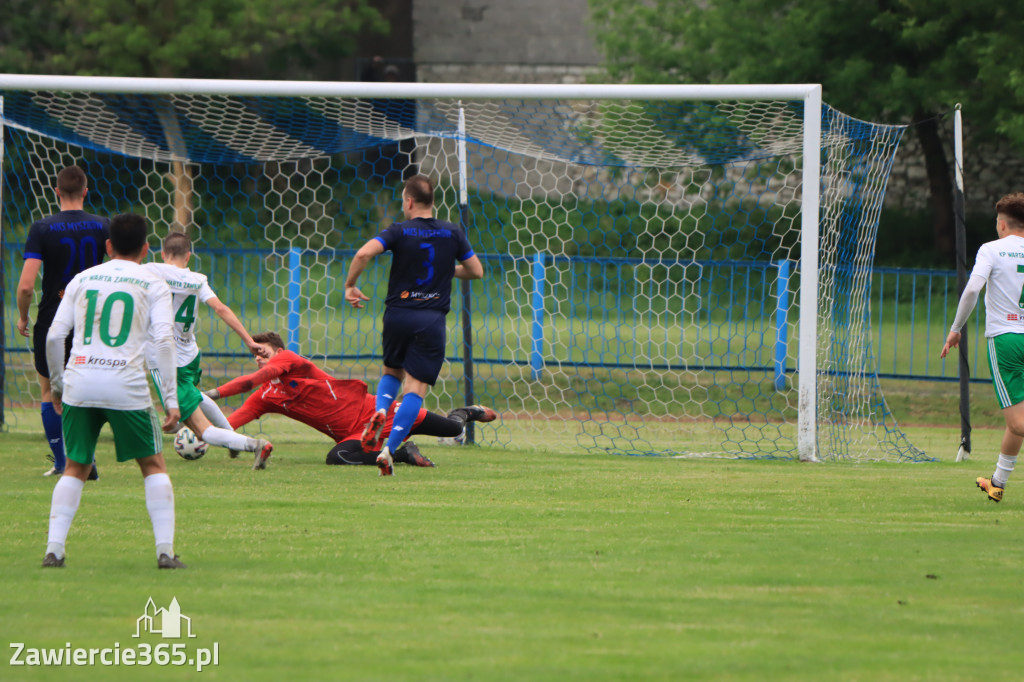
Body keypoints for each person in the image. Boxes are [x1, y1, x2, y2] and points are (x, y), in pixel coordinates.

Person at [42, 213, 185, 569]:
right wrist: (170, 399)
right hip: (126, 385)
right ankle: (165, 552)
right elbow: (165, 341)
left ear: (108, 246)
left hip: (80, 381)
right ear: (146, 247)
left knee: (75, 466)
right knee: (153, 463)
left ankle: (54, 551)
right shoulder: (153, 283)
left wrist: (58, 386)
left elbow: (54, 336)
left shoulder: (82, 278)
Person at [344, 175, 484, 475]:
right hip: (430, 319)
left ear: (408, 201)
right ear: (432, 201)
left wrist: (351, 285)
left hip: (397, 314)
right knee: (415, 389)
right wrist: (448, 270)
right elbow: (476, 271)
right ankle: (388, 449)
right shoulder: (452, 232)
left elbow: (363, 253)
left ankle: (380, 409)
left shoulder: (399, 230)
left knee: (392, 372)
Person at [203, 332, 495, 467]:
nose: (258, 357)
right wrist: (200, 436)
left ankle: (463, 413)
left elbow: (250, 381)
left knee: (454, 429)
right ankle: (403, 453)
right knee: (337, 457)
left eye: (263, 351)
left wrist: (213, 393)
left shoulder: (292, 360)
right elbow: (229, 423)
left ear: (279, 351)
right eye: (254, 354)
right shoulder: (266, 396)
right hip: (356, 434)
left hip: (381, 412)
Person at [144, 232, 273, 470]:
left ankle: (254, 444)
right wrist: (247, 340)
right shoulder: (196, 279)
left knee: (198, 429)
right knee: (194, 396)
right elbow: (221, 309)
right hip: (190, 355)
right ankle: (231, 437)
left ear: (162, 254)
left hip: (165, 360)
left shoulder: (151, 271)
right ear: (188, 255)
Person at [16, 165, 108, 477]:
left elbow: (27, 285)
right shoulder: (102, 226)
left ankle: (61, 463)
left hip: (53, 316)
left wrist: (22, 317)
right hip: (91, 320)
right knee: (85, 390)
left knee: (49, 391)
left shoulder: (42, 228)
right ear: (86, 191)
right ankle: (88, 458)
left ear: (57, 191)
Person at [941, 192, 1024, 503]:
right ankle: (997, 484)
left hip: (1006, 340)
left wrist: (955, 329)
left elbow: (973, 287)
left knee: (1017, 421)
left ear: (1001, 224)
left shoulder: (991, 250)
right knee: (1017, 422)